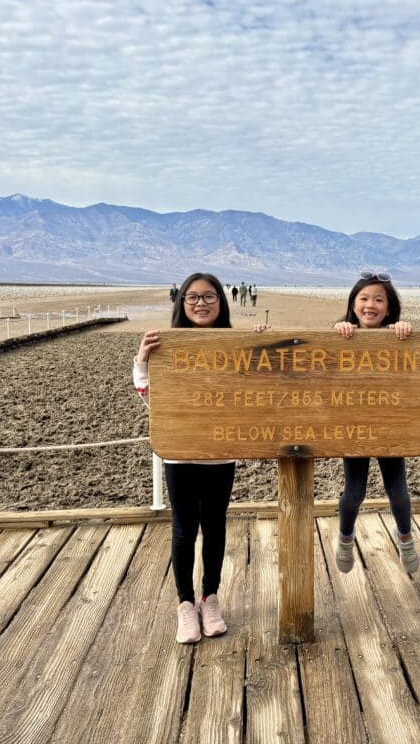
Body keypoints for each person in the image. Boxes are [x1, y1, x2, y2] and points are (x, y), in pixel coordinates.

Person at [134, 272, 269, 643]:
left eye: (209, 297)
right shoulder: (168, 344)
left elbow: (255, 388)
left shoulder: (234, 342)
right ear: (182, 303)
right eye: (193, 297)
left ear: (221, 302)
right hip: (179, 454)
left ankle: (210, 599)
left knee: (215, 526)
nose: (200, 303)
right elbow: (150, 397)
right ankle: (184, 605)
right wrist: (143, 358)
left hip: (221, 454)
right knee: (183, 528)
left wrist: (261, 343)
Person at [331, 272, 419, 574]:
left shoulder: (396, 335)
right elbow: (325, 355)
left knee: (398, 490)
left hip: (388, 424)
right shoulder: (344, 333)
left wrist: (404, 330)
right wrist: (338, 328)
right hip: (354, 426)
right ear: (353, 304)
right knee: (354, 491)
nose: (371, 305)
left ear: (389, 307)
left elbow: (413, 365)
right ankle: (345, 538)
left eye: (379, 299)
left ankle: (405, 539)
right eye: (364, 298)